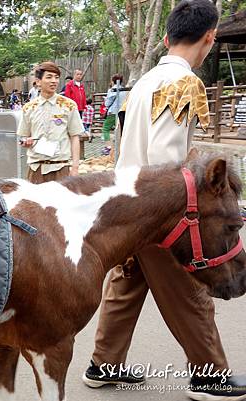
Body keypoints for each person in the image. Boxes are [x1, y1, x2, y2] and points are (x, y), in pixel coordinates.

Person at [82, 2, 246, 400]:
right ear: (209, 38)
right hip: (160, 210)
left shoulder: (143, 81)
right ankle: (209, 376)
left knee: (127, 285)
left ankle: (105, 364)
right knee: (190, 294)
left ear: (168, 36)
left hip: (128, 201)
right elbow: (167, 162)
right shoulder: (184, 83)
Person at [16, 61, 83, 183]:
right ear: (38, 81)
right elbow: (23, 137)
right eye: (49, 77)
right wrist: (26, 142)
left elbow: (75, 137)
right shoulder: (29, 108)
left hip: (61, 168)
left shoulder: (68, 105)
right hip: (36, 169)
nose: (54, 81)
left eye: (56, 77)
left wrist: (75, 167)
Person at [101, 74, 127, 155]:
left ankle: (108, 147)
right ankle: (120, 148)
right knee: (121, 129)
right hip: (122, 112)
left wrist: (106, 101)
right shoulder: (125, 90)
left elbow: (107, 103)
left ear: (113, 81)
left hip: (113, 112)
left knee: (105, 128)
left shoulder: (112, 90)